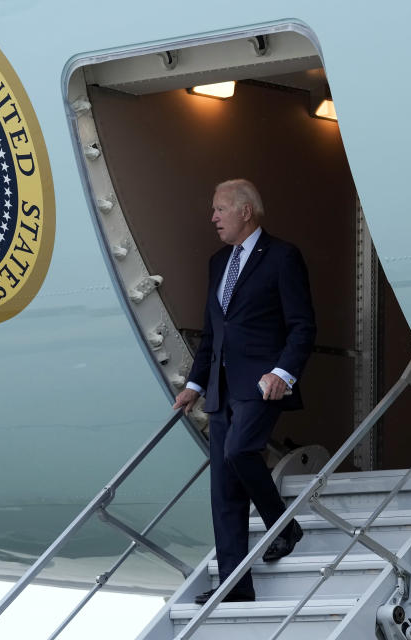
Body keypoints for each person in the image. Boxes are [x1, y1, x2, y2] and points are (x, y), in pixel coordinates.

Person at [173, 179, 316, 605]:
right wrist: (194, 385)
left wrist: (283, 372)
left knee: (240, 452)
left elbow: (303, 326)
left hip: (260, 385)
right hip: (219, 387)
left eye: (219, 209)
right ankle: (236, 587)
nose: (213, 217)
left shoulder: (283, 257)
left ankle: (283, 526)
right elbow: (213, 331)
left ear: (245, 211)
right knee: (224, 492)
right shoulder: (219, 262)